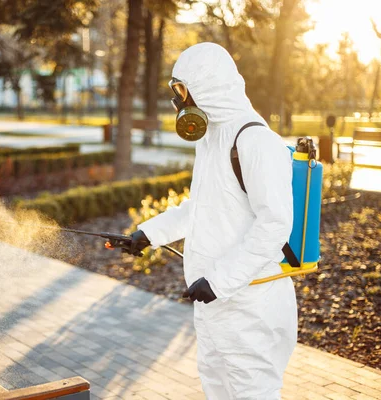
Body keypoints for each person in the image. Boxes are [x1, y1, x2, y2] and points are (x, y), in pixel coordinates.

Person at [127, 43, 298, 399]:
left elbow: (275, 224)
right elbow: (201, 207)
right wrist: (149, 234)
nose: (179, 104)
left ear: (207, 87)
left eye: (182, 93)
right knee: (217, 388)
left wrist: (220, 281)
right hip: (214, 304)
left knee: (254, 392)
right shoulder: (211, 139)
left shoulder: (256, 141)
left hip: (250, 303)